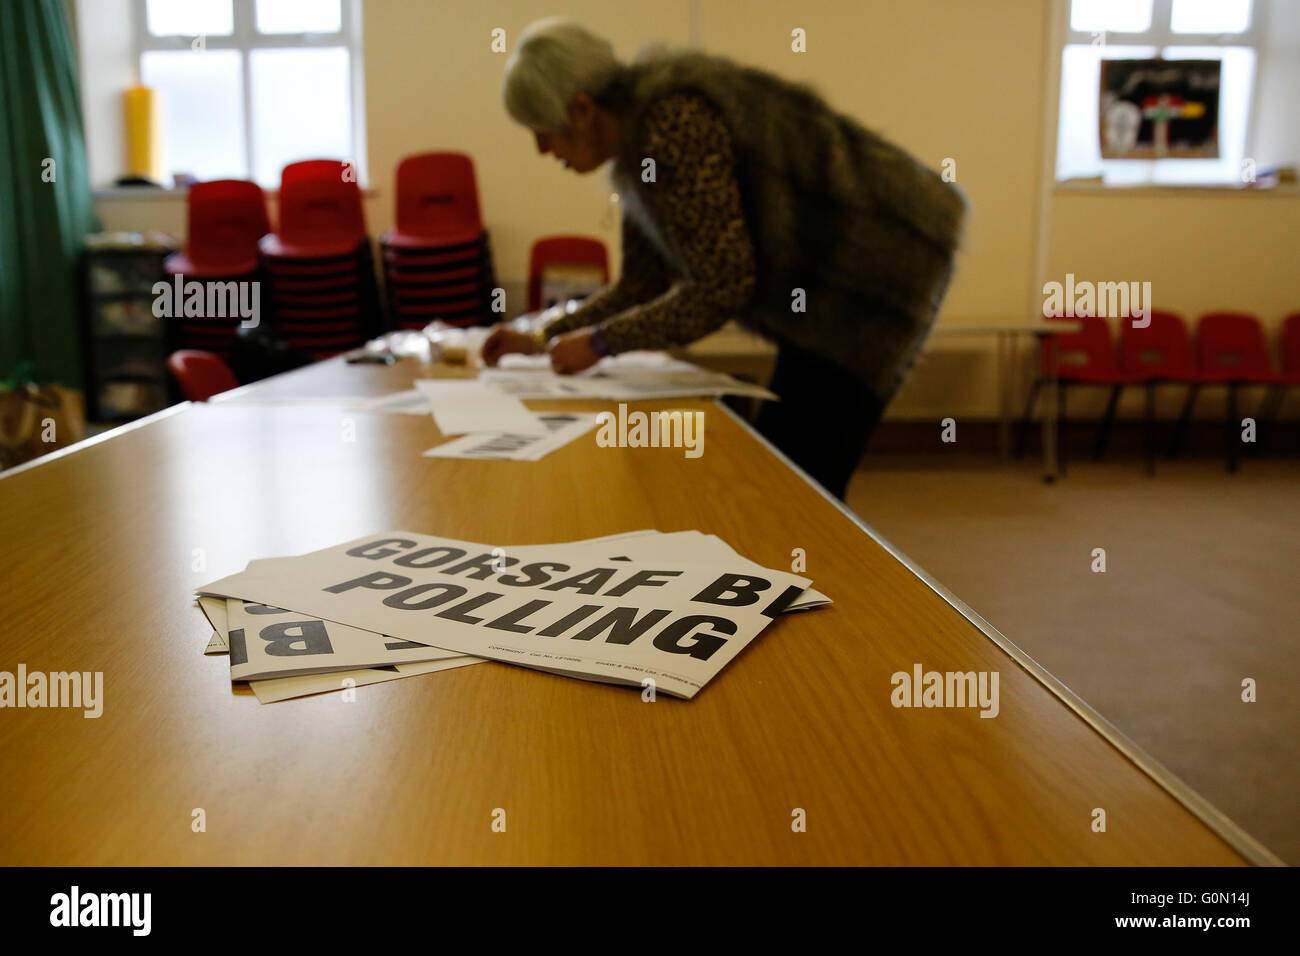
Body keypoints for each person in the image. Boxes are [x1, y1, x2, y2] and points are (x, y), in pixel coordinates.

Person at [483, 18, 966, 499]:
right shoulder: (635, 149)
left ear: (583, 109)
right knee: (782, 473)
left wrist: (602, 342)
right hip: (828, 286)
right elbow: (640, 286)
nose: (542, 150)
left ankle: (817, 569)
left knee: (799, 484)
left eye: (543, 132)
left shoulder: (672, 123)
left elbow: (722, 285)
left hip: (878, 271)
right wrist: (542, 337)